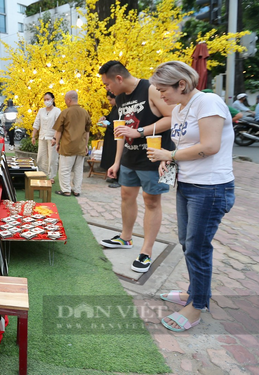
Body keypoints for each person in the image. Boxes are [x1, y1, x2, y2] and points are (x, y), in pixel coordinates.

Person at [146, 61, 235, 332]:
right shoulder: (180, 108)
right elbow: (186, 144)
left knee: (197, 247)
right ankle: (194, 292)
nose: (161, 96)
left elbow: (209, 145)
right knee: (188, 242)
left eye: (163, 90)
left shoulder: (208, 102)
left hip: (210, 187)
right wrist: (170, 161)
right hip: (188, 184)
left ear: (181, 84)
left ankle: (197, 306)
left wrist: (169, 155)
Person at [98, 61, 174, 273]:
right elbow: (122, 130)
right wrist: (116, 161)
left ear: (119, 79)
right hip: (130, 158)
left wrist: (140, 132)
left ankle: (146, 251)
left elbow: (172, 117)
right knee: (126, 196)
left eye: (107, 84)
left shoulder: (150, 89)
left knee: (151, 201)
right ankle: (125, 238)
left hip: (155, 156)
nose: (107, 89)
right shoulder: (121, 98)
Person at [52, 91, 91, 197]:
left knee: (65, 169)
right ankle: (77, 190)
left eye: (65, 100)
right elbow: (87, 131)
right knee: (79, 169)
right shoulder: (85, 112)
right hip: (81, 146)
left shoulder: (65, 112)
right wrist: (86, 145)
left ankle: (66, 190)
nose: (65, 102)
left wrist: (56, 143)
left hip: (68, 145)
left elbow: (59, 130)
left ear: (69, 100)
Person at [32, 92, 62, 183]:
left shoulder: (57, 111)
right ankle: (42, 173)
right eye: (45, 100)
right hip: (42, 136)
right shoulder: (41, 110)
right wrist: (33, 136)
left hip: (52, 137)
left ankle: (51, 176)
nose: (46, 101)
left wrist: (55, 138)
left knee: (52, 157)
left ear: (53, 99)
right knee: (41, 156)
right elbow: (36, 123)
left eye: (48, 99)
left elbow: (58, 125)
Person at [99, 91, 120, 188]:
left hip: (117, 137)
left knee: (116, 155)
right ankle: (113, 176)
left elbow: (118, 124)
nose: (110, 102)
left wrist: (108, 126)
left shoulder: (121, 108)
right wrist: (105, 118)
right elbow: (111, 118)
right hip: (110, 136)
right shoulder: (114, 108)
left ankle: (118, 178)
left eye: (110, 100)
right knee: (110, 156)